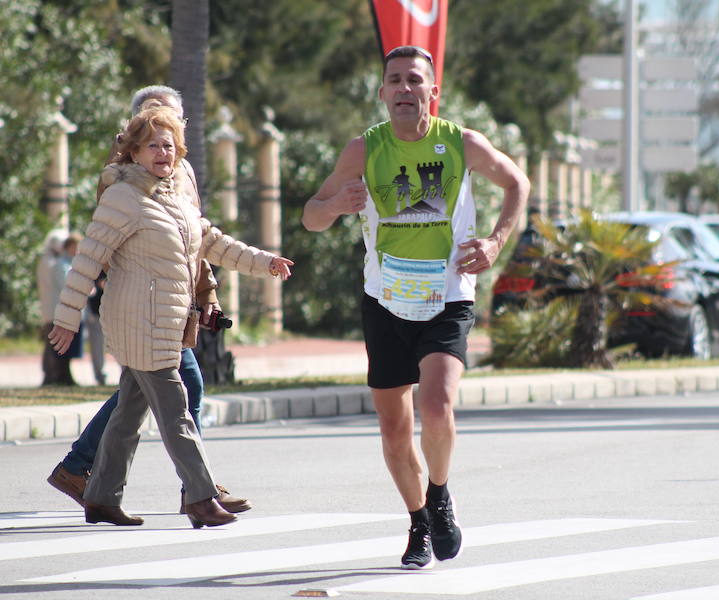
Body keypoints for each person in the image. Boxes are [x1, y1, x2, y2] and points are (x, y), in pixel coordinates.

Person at [301, 45, 529, 569]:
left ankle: (441, 493)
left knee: (436, 405)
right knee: (393, 428)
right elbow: (311, 215)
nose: (405, 89)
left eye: (414, 80)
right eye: (395, 81)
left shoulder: (462, 143)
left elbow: (517, 182)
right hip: (384, 302)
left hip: (448, 295)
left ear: (433, 92)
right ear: (382, 93)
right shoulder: (363, 149)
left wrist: (494, 242)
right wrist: (334, 206)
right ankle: (419, 520)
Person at [48, 106, 294, 529]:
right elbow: (89, 258)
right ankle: (200, 498)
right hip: (139, 323)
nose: (163, 152)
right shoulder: (123, 197)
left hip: (166, 323)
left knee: (128, 413)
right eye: (153, 145)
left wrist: (265, 261)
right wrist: (67, 318)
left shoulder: (174, 196)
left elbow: (213, 243)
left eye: (169, 144)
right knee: (177, 411)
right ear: (134, 152)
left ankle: (102, 496)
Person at [37, 229, 76, 386]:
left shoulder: (45, 261)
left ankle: (52, 376)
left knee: (51, 345)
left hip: (50, 308)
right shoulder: (53, 263)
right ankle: (54, 376)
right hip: (54, 309)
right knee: (54, 345)